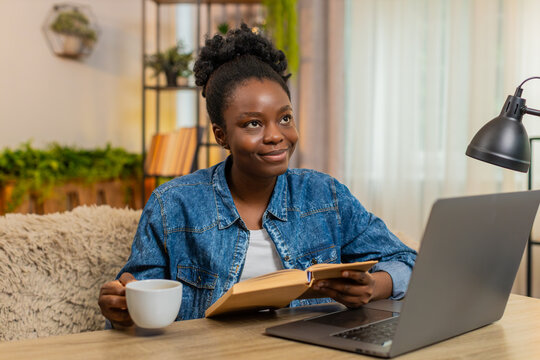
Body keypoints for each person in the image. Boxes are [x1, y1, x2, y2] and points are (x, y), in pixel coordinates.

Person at [98, 24, 417, 329]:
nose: (276, 135)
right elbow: (133, 302)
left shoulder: (325, 195)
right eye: (253, 123)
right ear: (221, 136)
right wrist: (121, 308)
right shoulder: (173, 205)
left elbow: (408, 261)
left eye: (285, 118)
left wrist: (374, 286)